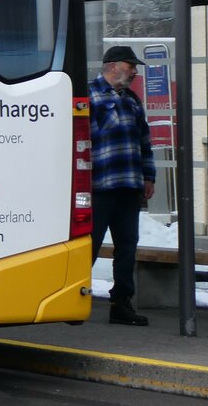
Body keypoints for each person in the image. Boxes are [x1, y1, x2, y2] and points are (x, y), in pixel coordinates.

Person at [89, 45, 156, 326]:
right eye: (131, 66)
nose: (135, 72)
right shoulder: (88, 94)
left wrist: (148, 177)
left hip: (128, 184)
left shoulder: (131, 99)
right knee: (88, 245)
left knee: (127, 246)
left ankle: (121, 303)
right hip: (98, 185)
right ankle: (71, 295)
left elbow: (145, 141)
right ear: (113, 65)